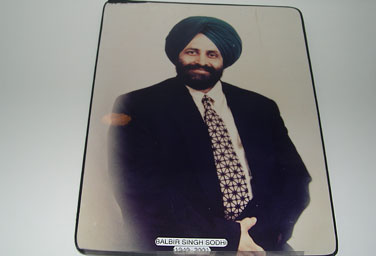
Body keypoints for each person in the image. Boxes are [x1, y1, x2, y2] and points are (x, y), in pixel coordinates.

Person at [108, 16, 311, 252]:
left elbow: (295, 180)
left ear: (224, 59)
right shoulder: (139, 105)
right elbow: (140, 192)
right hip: (183, 245)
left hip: (260, 243)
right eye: (192, 52)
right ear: (177, 54)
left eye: (212, 54)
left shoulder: (260, 107)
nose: (201, 61)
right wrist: (229, 238)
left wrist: (260, 236)